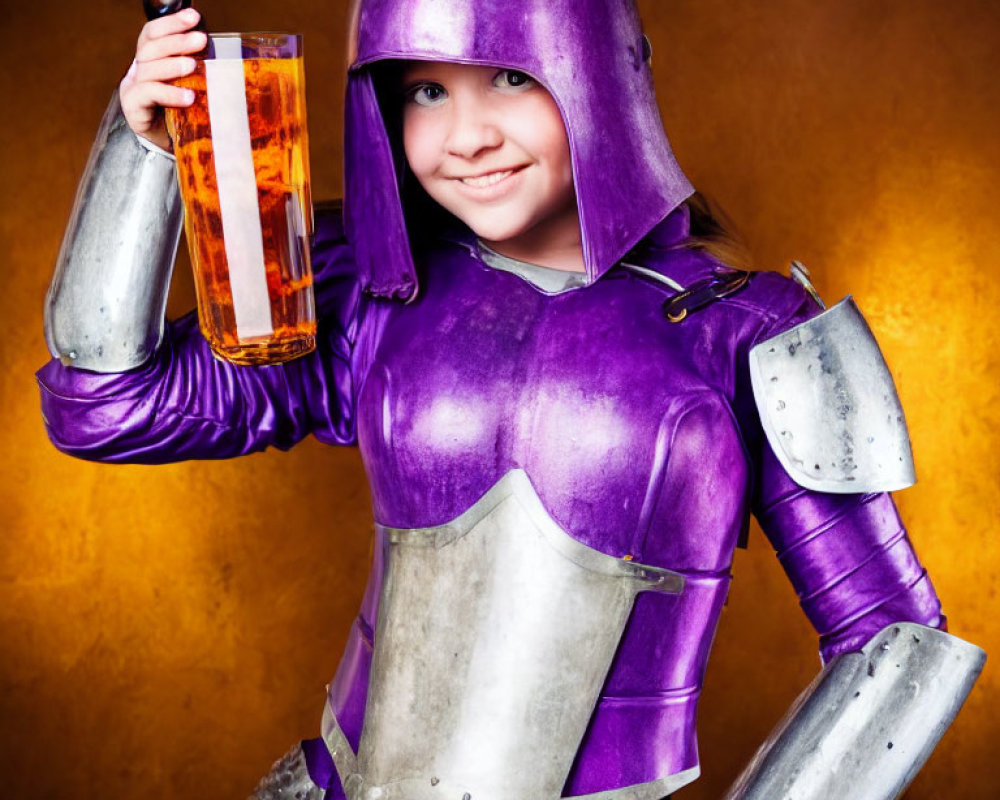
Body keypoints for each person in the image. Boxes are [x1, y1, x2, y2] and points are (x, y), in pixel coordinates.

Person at [38, 2, 984, 799]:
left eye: (512, 79)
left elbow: (895, 644)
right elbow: (103, 405)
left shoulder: (751, 330)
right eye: (426, 90)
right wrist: (143, 149)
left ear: (598, 78)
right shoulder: (374, 296)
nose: (467, 136)